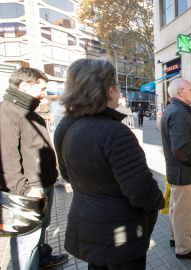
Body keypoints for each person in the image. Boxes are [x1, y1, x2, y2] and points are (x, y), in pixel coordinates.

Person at [54, 59, 165, 269]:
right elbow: (141, 191)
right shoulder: (115, 132)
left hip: (87, 227)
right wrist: (158, 202)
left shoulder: (66, 125)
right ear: (109, 91)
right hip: (120, 235)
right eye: (116, 85)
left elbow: (68, 174)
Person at [0, 68, 68, 270]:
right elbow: (6, 157)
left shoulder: (29, 113)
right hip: (28, 191)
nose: (44, 93)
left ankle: (41, 259)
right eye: (41, 88)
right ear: (24, 86)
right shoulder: (7, 112)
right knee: (25, 241)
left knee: (39, 231)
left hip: (42, 185)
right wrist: (24, 188)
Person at [160, 78, 191, 260]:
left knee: (176, 208)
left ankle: (177, 238)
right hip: (184, 172)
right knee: (183, 211)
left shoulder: (172, 109)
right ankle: (184, 248)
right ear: (180, 92)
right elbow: (180, 148)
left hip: (177, 171)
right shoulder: (179, 112)